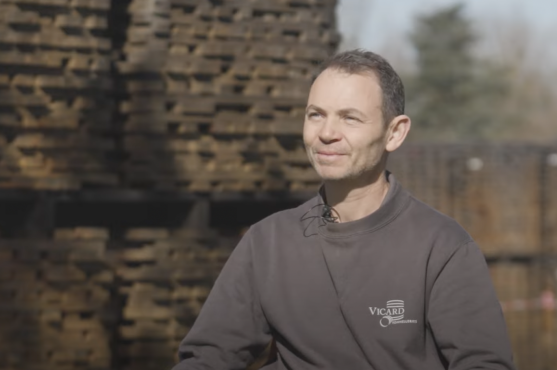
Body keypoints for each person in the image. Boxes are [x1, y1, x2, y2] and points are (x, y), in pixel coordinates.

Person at [173, 49, 515, 370]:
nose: (326, 133)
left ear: (394, 133)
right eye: (316, 115)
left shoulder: (441, 247)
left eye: (350, 118)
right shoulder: (268, 243)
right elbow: (206, 358)